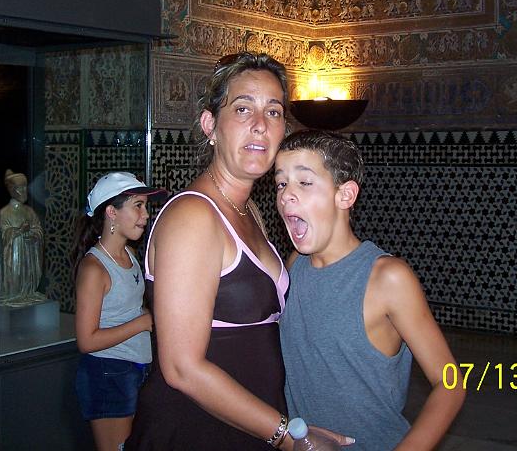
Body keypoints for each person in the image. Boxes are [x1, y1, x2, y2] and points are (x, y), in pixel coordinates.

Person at [125, 53, 352, 451]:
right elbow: (181, 367)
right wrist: (288, 437)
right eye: (243, 108)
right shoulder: (194, 216)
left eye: (274, 111)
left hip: (249, 423)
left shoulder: (250, 212)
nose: (260, 124)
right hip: (194, 429)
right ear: (210, 125)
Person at [275, 130, 466, 451]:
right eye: (281, 183)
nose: (286, 195)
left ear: (345, 195)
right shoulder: (295, 265)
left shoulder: (388, 278)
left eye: (304, 182)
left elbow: (451, 384)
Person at [72, 172, 167, 451]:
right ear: (112, 212)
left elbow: (128, 309)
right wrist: (143, 323)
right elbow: (86, 340)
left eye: (145, 206)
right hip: (108, 373)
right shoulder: (94, 268)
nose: (145, 215)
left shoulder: (130, 255)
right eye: (138, 206)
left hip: (135, 369)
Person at [0, 169, 45, 306]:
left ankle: (26, 291)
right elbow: (3, 236)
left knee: (26, 277)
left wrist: (33, 235)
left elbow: (38, 229)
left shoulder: (29, 211)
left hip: (27, 255)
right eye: (20, 188)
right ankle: (10, 291)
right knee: (14, 278)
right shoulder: (4, 213)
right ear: (12, 190)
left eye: (25, 187)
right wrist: (19, 231)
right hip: (13, 256)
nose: (24, 191)